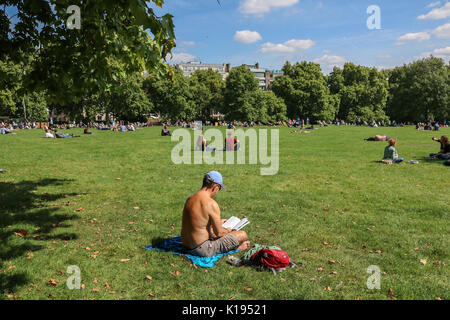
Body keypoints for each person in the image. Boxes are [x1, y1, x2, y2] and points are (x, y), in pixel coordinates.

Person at [181, 172, 250, 257]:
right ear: (215, 187)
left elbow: (198, 222)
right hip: (202, 249)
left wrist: (219, 222)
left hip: (185, 245)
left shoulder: (190, 199)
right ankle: (237, 247)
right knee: (242, 235)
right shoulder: (211, 204)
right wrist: (229, 230)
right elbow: (219, 233)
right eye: (219, 188)